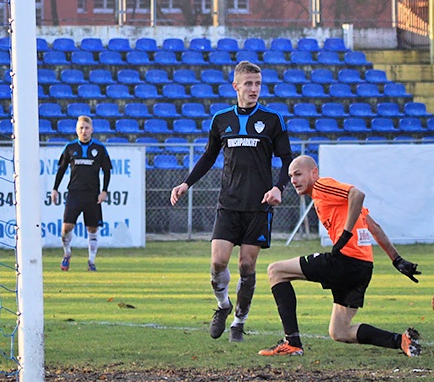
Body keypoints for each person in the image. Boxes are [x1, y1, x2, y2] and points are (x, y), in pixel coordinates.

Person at [170, 60, 293, 343]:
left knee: (246, 267)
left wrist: (278, 188)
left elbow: (287, 159)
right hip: (228, 204)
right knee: (218, 262)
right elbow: (208, 156)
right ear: (235, 86)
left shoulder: (273, 120)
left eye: (258, 84)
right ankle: (223, 305)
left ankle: (239, 320)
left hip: (259, 206)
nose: (254, 89)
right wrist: (186, 183)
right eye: (248, 84)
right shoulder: (220, 119)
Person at [259, 156, 422, 357]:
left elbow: (357, 194)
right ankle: (401, 341)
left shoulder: (322, 186)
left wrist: (345, 234)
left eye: (298, 174)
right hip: (362, 268)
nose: (293, 180)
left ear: (314, 173)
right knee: (340, 331)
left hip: (345, 260)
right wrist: (397, 260)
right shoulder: (335, 200)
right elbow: (374, 228)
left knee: (276, 271)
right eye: (291, 176)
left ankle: (292, 343)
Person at [51, 115, 112, 272]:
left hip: (92, 194)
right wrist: (55, 188)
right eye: (81, 128)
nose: (83, 131)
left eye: (86, 128)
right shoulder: (70, 148)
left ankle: (91, 261)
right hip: (75, 193)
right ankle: (67, 253)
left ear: (92, 129)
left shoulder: (99, 149)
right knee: (66, 227)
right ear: (76, 130)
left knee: (92, 229)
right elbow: (61, 169)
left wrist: (104, 191)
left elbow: (106, 171)